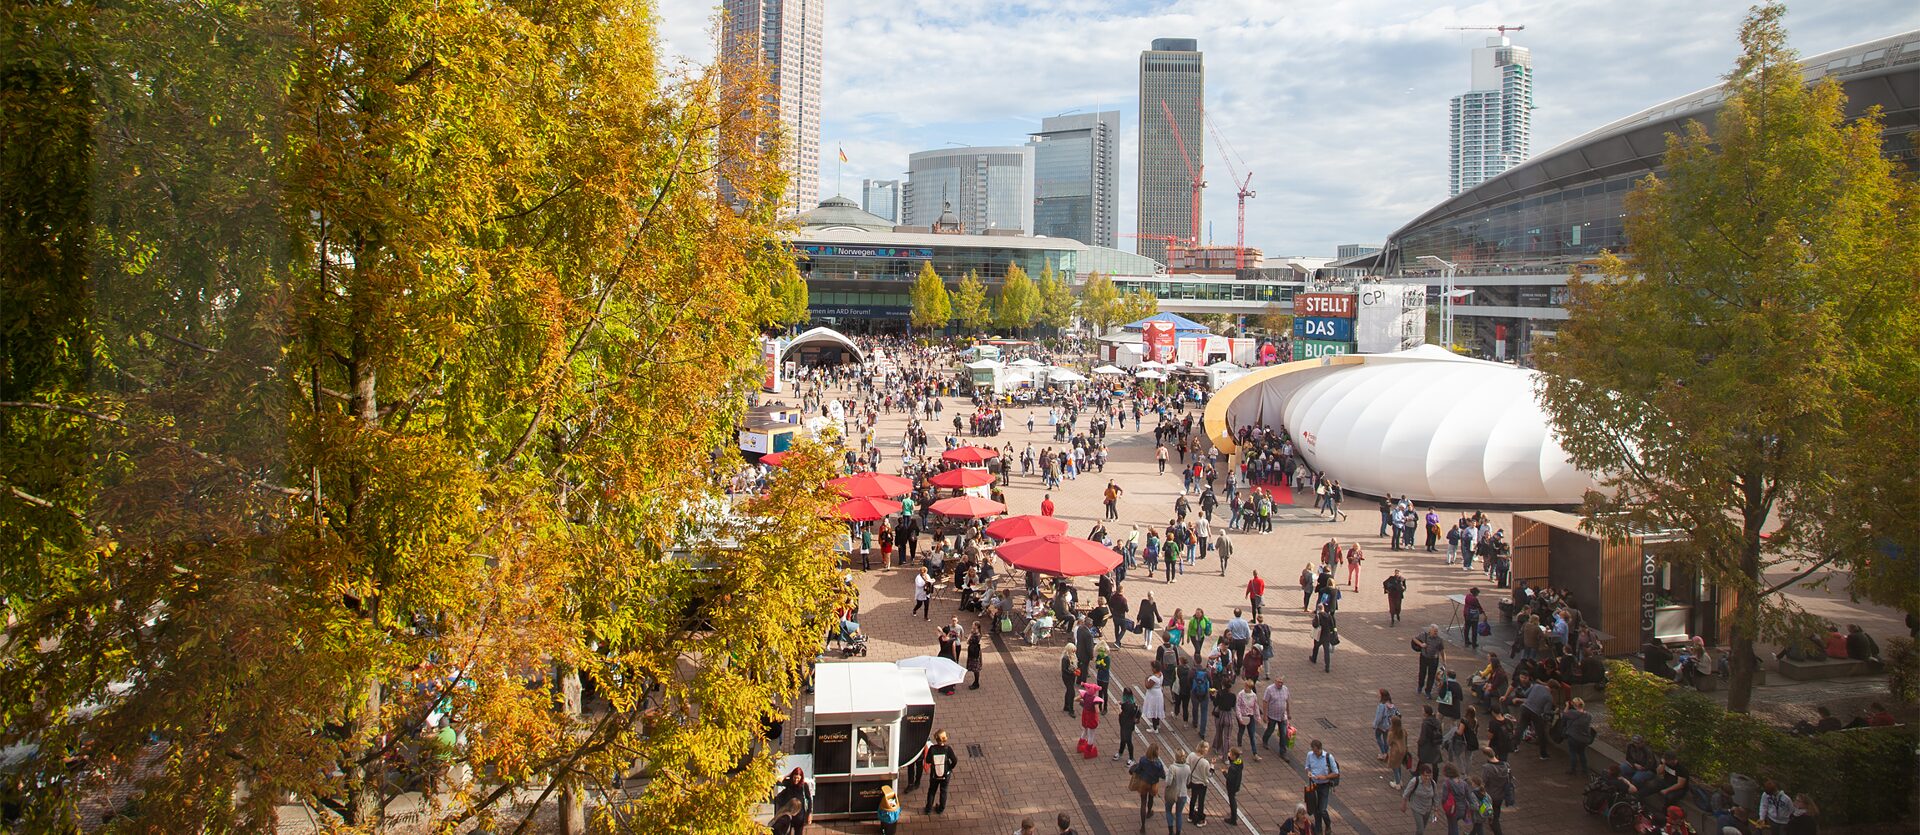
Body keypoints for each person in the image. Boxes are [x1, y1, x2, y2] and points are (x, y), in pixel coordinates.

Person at [1304, 738, 1341, 834]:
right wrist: (1308, 772)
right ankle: (1318, 830)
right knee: (1316, 810)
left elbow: (1336, 773)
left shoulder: (1328, 757)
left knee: (1322, 809)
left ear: (1320, 749)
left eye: (1316, 751)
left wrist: (1325, 777)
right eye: (1313, 751)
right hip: (1314, 785)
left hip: (1324, 785)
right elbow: (1307, 767)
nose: (1315, 753)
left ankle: (1328, 825)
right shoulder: (1310, 755)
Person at [1131, 743, 1167, 832]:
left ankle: (1143, 826)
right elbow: (1162, 775)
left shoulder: (1143, 759)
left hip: (1144, 782)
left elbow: (1138, 769)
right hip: (1153, 784)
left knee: (1143, 802)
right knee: (1151, 798)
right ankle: (1149, 812)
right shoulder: (1158, 763)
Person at [1479, 746, 1512, 835]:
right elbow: (1509, 779)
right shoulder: (1506, 765)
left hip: (1489, 796)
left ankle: (1493, 827)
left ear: (1486, 756)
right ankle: (1490, 820)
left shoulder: (1487, 768)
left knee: (1483, 812)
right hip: (1500, 795)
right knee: (1496, 811)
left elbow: (1483, 782)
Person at [923, 730, 956, 815]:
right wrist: (949, 768)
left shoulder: (932, 749)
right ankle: (941, 809)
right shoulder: (948, 749)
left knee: (932, 791)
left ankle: (928, 809)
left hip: (934, 775)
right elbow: (955, 760)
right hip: (945, 774)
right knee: (943, 791)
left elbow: (928, 760)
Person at [1402, 763, 1441, 835]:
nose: (1427, 778)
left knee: (1423, 828)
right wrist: (1404, 804)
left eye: (1429, 776)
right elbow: (1406, 793)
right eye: (1425, 775)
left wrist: (1436, 810)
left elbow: (1435, 796)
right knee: (1420, 830)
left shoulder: (1433, 783)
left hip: (1427, 809)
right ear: (1421, 774)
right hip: (1417, 808)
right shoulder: (1414, 781)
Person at [773, 767, 812, 835]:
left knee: (798, 833)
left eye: (798, 778)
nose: (796, 780)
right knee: (787, 832)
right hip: (789, 814)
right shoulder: (789, 783)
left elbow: (809, 799)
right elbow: (777, 781)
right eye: (794, 778)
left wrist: (809, 813)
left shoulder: (804, 786)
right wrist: (787, 775)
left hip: (800, 815)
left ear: (801, 777)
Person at [1262, 675, 1292, 759]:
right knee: (1270, 729)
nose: (1280, 684)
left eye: (1282, 682)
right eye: (1279, 682)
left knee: (1283, 733)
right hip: (1272, 716)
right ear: (1275, 681)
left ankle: (1283, 752)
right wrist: (1265, 715)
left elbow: (1287, 701)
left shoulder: (1285, 689)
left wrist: (1289, 713)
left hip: (1282, 716)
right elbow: (1265, 702)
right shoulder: (1269, 689)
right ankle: (1265, 739)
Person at [1163, 749, 1192, 835]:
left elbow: (1168, 782)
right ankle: (1178, 833)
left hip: (1172, 792)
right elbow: (1188, 782)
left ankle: (1171, 831)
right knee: (1179, 814)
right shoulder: (1187, 767)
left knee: (1168, 810)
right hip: (1182, 793)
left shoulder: (1172, 767)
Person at [1563, 697, 1595, 775]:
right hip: (1584, 739)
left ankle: (1573, 769)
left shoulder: (1572, 713)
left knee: (1573, 753)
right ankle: (1585, 770)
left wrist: (1567, 705)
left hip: (1573, 737)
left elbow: (1564, 715)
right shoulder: (1589, 715)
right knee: (1582, 753)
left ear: (1573, 705)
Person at [1415, 625, 1446, 699]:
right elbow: (1414, 639)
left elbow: (1442, 651)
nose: (1436, 632)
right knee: (1422, 673)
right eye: (1434, 631)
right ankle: (1420, 686)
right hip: (1424, 658)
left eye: (1437, 631)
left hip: (1434, 659)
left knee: (1431, 676)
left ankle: (1428, 691)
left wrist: (1444, 661)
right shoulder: (1424, 635)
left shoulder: (1439, 640)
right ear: (1430, 631)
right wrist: (1421, 644)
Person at [1186, 742, 1213, 827]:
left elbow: (1187, 765)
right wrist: (1212, 766)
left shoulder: (1191, 755)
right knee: (1201, 801)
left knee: (1193, 798)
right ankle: (1200, 820)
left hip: (1193, 781)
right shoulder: (1205, 762)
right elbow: (1209, 774)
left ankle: (1190, 816)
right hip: (1202, 784)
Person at [1116, 687, 1141, 764]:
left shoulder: (1126, 705)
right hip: (1128, 724)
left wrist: (1118, 706)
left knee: (1128, 741)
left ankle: (1131, 758)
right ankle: (1120, 752)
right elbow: (1138, 712)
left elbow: (1121, 713)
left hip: (1126, 724)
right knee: (1123, 739)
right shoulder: (1133, 704)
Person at [1373, 689, 1401, 759]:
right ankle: (1386, 752)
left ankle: (1383, 753)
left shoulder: (1381, 706)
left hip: (1381, 726)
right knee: (1386, 740)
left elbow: (1379, 717)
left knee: (1378, 737)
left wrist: (1375, 725)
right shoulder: (1391, 704)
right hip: (1389, 725)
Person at [1386, 713, 1411, 788]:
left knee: (1395, 767)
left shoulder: (1392, 733)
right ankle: (1399, 780)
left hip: (1395, 752)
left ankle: (1397, 783)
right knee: (1399, 765)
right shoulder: (1403, 731)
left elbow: (1388, 742)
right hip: (1403, 750)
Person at [1142, 664, 1167, 732]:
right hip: (1158, 694)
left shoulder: (1153, 678)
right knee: (1157, 709)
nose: (1151, 669)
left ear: (1155, 669)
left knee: (1153, 710)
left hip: (1154, 696)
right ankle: (1157, 724)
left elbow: (1148, 686)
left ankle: (1154, 728)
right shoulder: (1161, 674)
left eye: (1152, 668)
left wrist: (1146, 679)